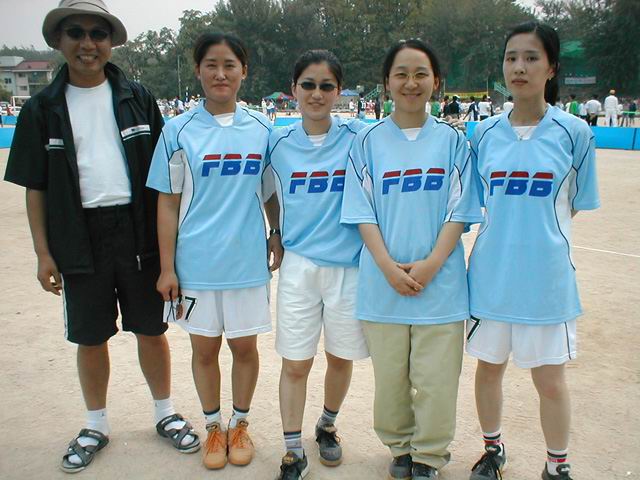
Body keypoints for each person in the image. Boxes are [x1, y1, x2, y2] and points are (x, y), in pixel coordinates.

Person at [3, 0, 200, 474]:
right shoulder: (41, 109)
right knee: (90, 337)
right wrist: (43, 253)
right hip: (78, 235)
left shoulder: (138, 98)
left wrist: (171, 250)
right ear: (58, 40)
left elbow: (166, 180)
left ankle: (165, 412)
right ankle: (96, 424)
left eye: (98, 33)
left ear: (111, 42)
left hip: (138, 232)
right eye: (76, 32)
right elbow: (36, 188)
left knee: (151, 330)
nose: (88, 43)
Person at [341, 38, 483, 480]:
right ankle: (400, 447)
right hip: (382, 284)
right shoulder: (366, 142)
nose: (410, 82)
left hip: (440, 285)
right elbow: (361, 212)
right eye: (401, 74)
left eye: (421, 74)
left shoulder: (453, 142)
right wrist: (387, 267)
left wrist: (432, 264)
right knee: (390, 381)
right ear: (386, 82)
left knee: (437, 381)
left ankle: (428, 456)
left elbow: (460, 210)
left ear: (436, 82)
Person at [467, 22, 599, 480]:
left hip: (547, 281)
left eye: (530, 58)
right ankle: (493, 450)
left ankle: (556, 464)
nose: (519, 67)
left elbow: (574, 205)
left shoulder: (575, 133)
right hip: (491, 277)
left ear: (551, 68)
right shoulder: (482, 134)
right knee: (488, 370)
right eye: (511, 58)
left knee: (550, 380)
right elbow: (476, 202)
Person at [146, 32, 283, 471]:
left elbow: (270, 191)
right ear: (198, 70)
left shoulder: (263, 129)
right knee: (204, 351)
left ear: (244, 71)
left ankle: (239, 424)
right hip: (196, 265)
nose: (220, 74)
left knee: (245, 349)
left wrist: (276, 232)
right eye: (211, 65)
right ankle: (212, 427)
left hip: (246, 263)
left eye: (229, 65)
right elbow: (167, 203)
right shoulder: (177, 131)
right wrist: (167, 267)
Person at [266, 49, 369, 480]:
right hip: (299, 267)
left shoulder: (360, 136)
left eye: (326, 86)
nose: (316, 93)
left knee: (340, 358)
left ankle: (327, 424)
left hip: (349, 266)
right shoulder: (276, 142)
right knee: (295, 362)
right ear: (293, 89)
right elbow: (267, 191)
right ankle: (293, 450)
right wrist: (275, 230)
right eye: (307, 84)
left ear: (339, 91)